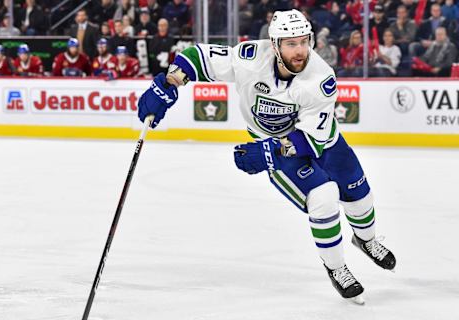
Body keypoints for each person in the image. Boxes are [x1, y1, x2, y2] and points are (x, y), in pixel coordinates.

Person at [136, 9, 396, 304]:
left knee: (359, 194)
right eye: (290, 43)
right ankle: (337, 268)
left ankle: (367, 240)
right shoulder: (249, 58)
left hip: (319, 140)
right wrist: (170, 83)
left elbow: (313, 138)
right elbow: (200, 57)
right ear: (274, 45)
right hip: (275, 145)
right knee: (323, 197)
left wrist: (268, 152)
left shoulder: (321, 77)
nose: (300, 51)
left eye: (303, 42)